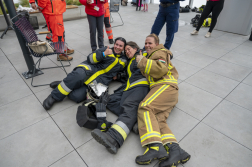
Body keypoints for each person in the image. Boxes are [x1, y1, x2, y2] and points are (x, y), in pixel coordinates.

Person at [135, 34, 190, 167]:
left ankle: (154, 148)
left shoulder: (160, 52)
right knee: (159, 120)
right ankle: (175, 151)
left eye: (150, 43)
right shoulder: (152, 55)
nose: (147, 45)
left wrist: (142, 60)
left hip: (165, 87)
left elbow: (160, 69)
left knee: (145, 107)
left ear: (156, 44)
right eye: (146, 43)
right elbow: (152, 70)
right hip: (167, 93)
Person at [91, 41, 150, 154]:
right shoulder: (129, 61)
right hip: (128, 87)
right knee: (108, 99)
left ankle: (113, 139)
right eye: (126, 50)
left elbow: (153, 59)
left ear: (136, 48)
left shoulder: (141, 55)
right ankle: (134, 120)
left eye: (129, 49)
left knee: (129, 107)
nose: (127, 52)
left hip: (140, 85)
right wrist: (118, 76)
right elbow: (128, 74)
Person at [42, 37, 127, 110]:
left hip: (100, 81)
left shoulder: (124, 60)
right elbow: (90, 58)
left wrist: (118, 75)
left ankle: (65, 83)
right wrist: (104, 54)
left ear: (123, 48)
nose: (117, 47)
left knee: (76, 97)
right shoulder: (106, 49)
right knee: (78, 76)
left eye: (120, 46)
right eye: (116, 44)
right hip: (90, 70)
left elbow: (127, 73)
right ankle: (54, 96)